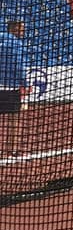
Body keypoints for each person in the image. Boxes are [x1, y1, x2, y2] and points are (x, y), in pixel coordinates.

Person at [0, 20, 28, 156]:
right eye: (21, 28)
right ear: (14, 28)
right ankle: (12, 150)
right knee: (14, 119)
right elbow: (18, 65)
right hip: (10, 87)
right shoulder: (16, 43)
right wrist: (25, 83)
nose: (23, 31)